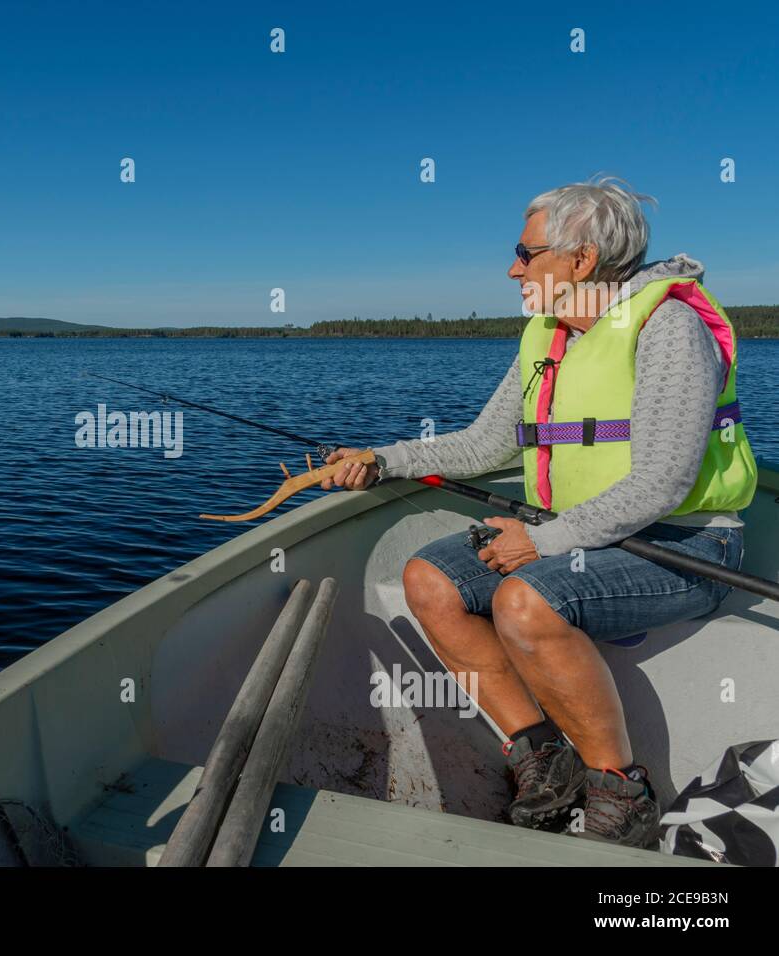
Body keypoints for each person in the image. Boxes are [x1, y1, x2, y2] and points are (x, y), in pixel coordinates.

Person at [324, 177, 757, 848]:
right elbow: (484, 442)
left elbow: (664, 483)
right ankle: (542, 760)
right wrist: (382, 458)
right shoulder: (548, 335)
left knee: (525, 601)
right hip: (590, 539)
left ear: (581, 261)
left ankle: (621, 790)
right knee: (429, 581)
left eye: (525, 253)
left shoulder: (669, 326)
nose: (512, 268)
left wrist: (546, 540)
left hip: (689, 545)